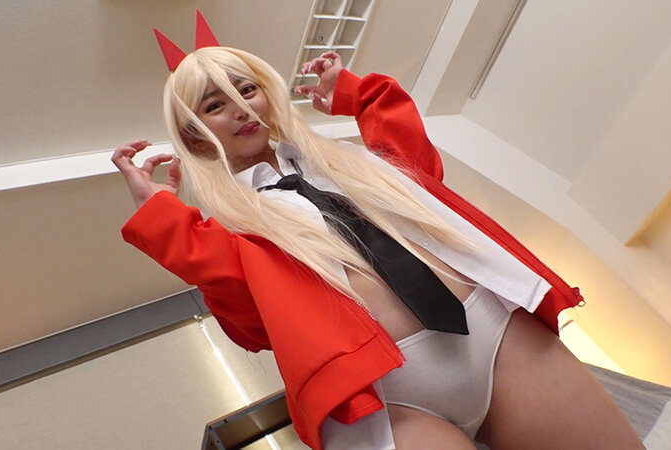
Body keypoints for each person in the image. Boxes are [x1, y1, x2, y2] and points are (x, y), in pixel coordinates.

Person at [112, 12, 642, 450]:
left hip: (495, 334)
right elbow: (251, 325)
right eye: (214, 105)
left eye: (246, 89)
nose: (239, 108)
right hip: (388, 397)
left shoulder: (350, 162)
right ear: (196, 137)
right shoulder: (233, 229)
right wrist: (161, 218)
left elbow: (418, 167)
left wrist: (354, 94)